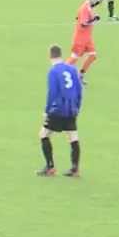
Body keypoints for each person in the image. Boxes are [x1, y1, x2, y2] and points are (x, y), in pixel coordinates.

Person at [37, 45, 83, 177]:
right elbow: (79, 90)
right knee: (73, 136)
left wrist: (47, 110)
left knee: (44, 134)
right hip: (71, 109)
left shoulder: (53, 71)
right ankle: (75, 168)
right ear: (61, 55)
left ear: (50, 56)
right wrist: (77, 106)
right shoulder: (72, 69)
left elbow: (52, 92)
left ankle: (50, 167)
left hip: (58, 109)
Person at [68, 0, 102, 81]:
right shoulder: (85, 8)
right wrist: (94, 20)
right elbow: (84, 23)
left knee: (93, 55)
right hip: (80, 38)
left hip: (87, 38)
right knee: (74, 58)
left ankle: (81, 75)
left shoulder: (89, 6)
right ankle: (61, 73)